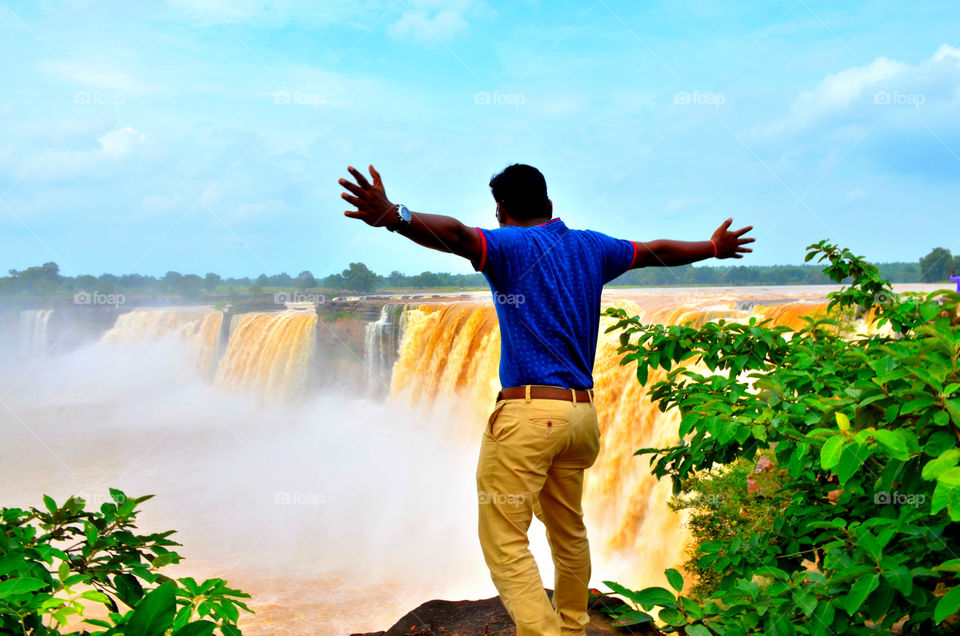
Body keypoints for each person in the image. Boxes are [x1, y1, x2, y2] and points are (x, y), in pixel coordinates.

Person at [338, 163, 754, 636]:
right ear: (551, 206)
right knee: (567, 529)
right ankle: (574, 624)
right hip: (580, 418)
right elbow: (656, 250)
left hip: (529, 417)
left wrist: (395, 215)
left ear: (502, 212)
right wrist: (715, 248)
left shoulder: (510, 245)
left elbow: (455, 234)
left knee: (504, 537)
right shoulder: (593, 248)